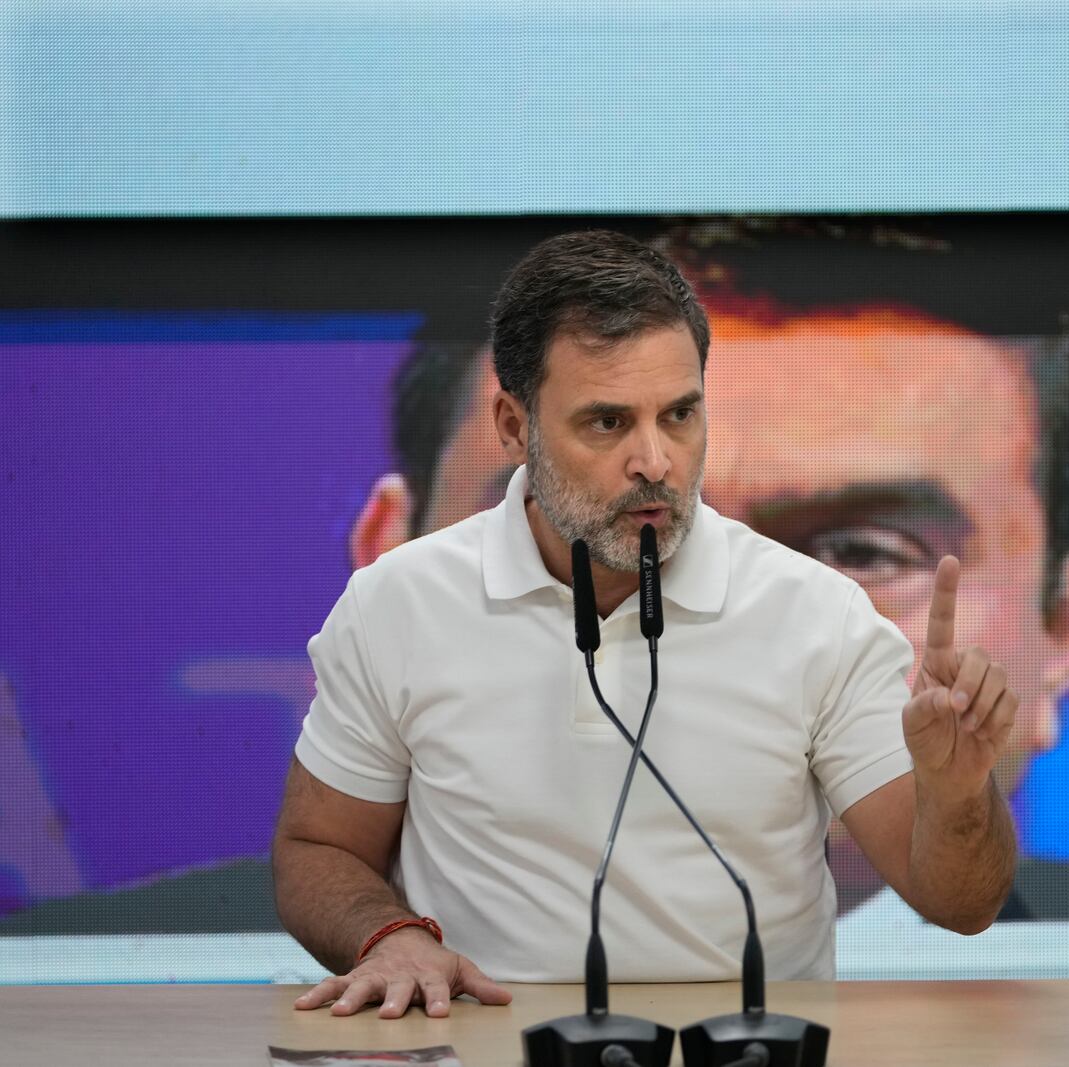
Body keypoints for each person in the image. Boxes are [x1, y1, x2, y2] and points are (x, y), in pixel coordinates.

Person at [276, 229, 1022, 1018]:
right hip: (490, 1042)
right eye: (607, 423)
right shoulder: (399, 604)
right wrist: (388, 934)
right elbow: (317, 848)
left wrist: (958, 793)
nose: (655, 460)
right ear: (510, 424)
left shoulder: (816, 614)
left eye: (679, 414)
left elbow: (960, 903)